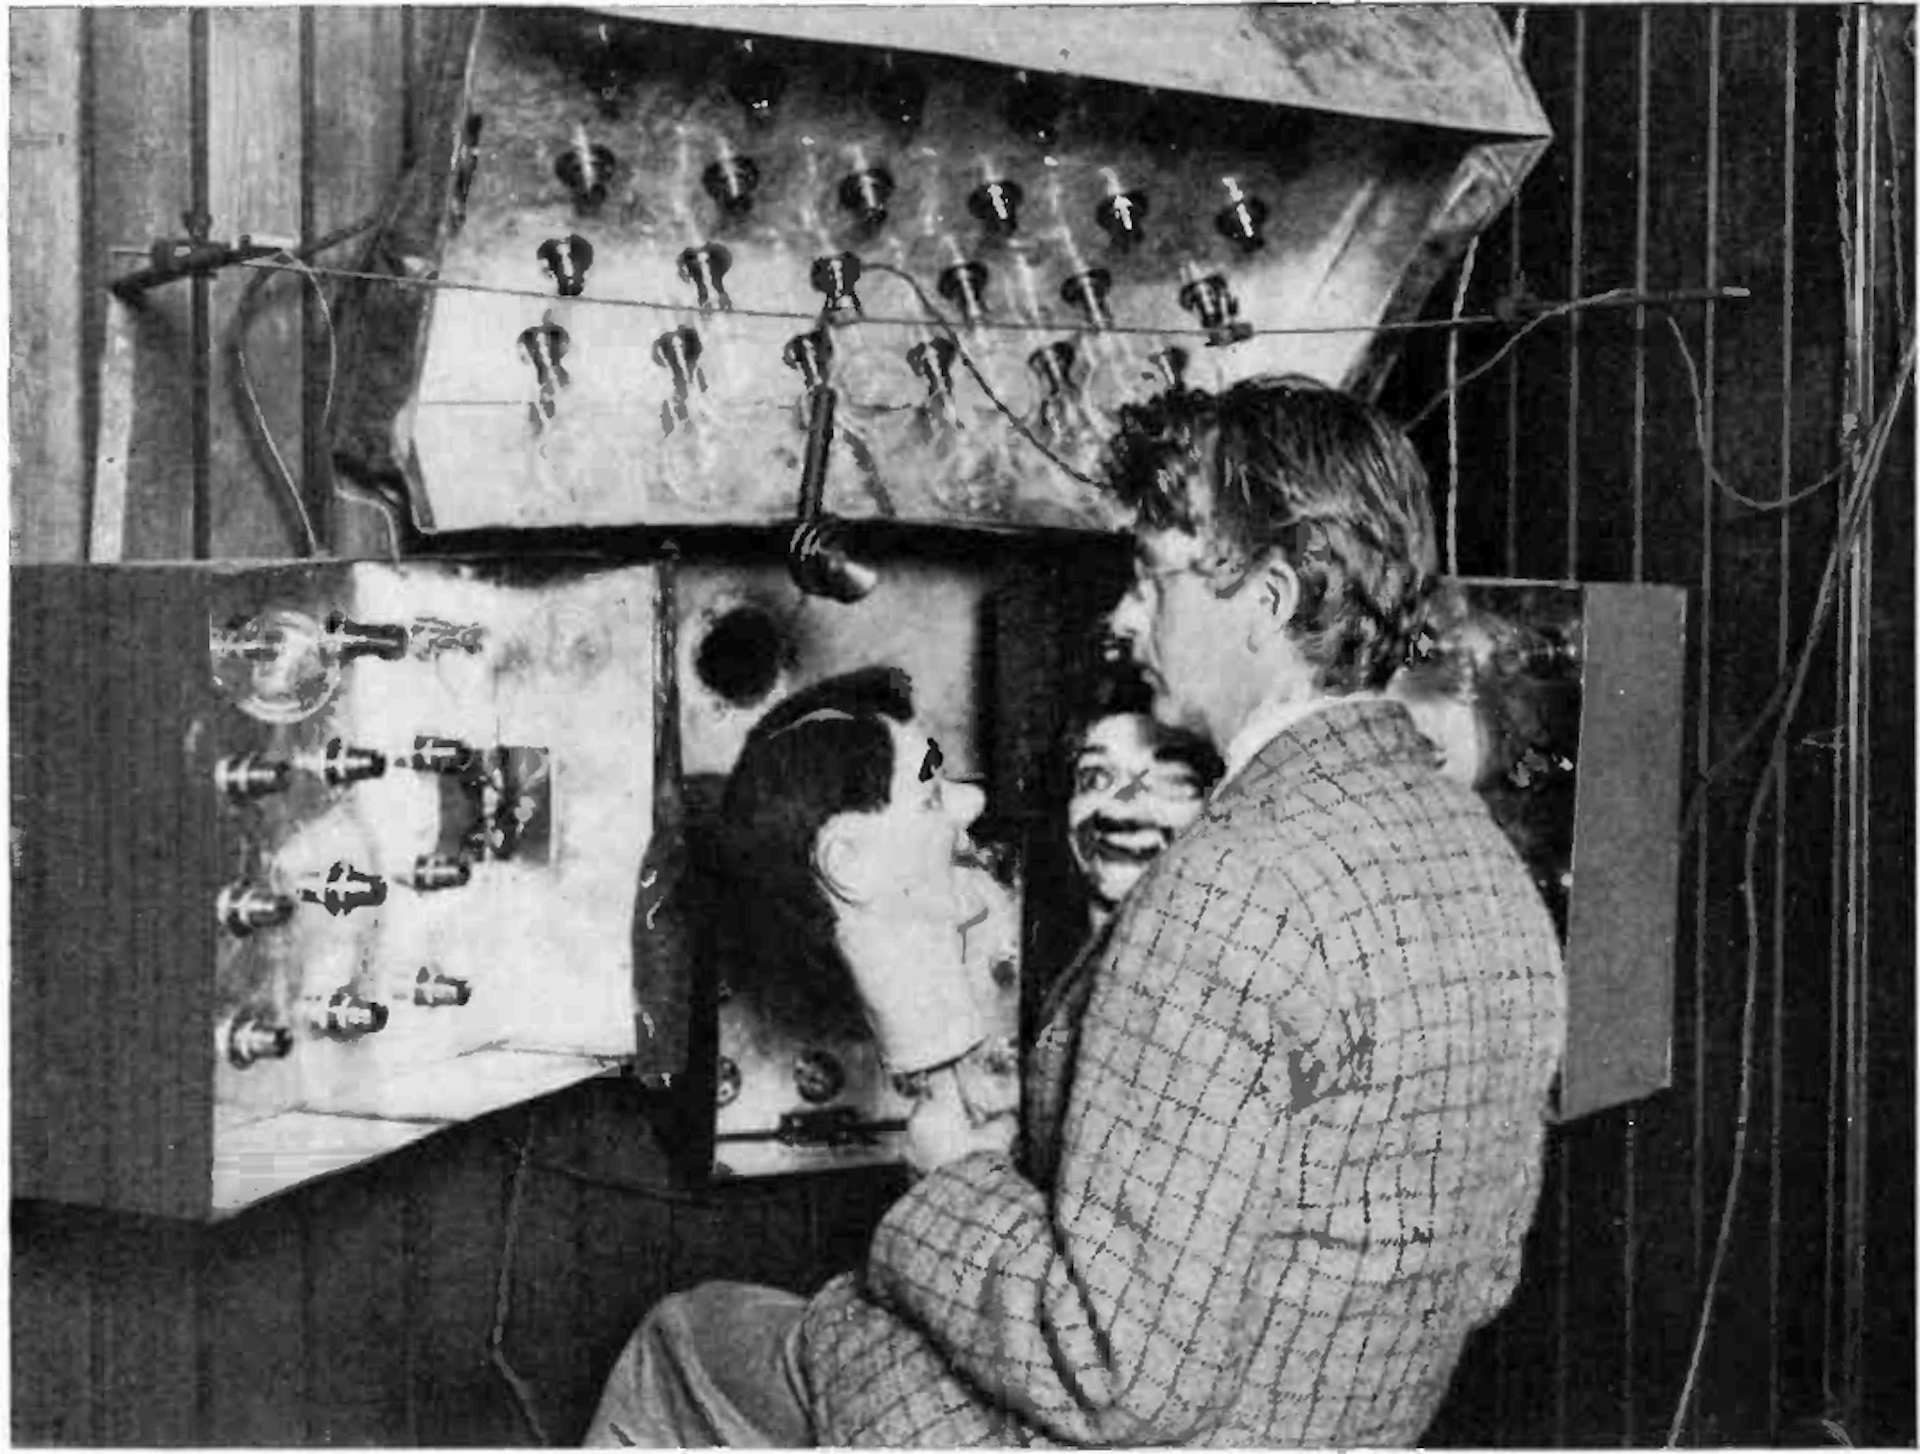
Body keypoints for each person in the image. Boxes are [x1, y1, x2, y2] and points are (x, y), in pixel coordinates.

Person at [590, 376, 1568, 1447]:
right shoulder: (1489, 872)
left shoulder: (1229, 888)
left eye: (1155, 576)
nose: (1126, 613)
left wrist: (954, 1171)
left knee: (684, 1339)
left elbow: (1111, 1371)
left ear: (1273, 598)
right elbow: (1480, 1272)